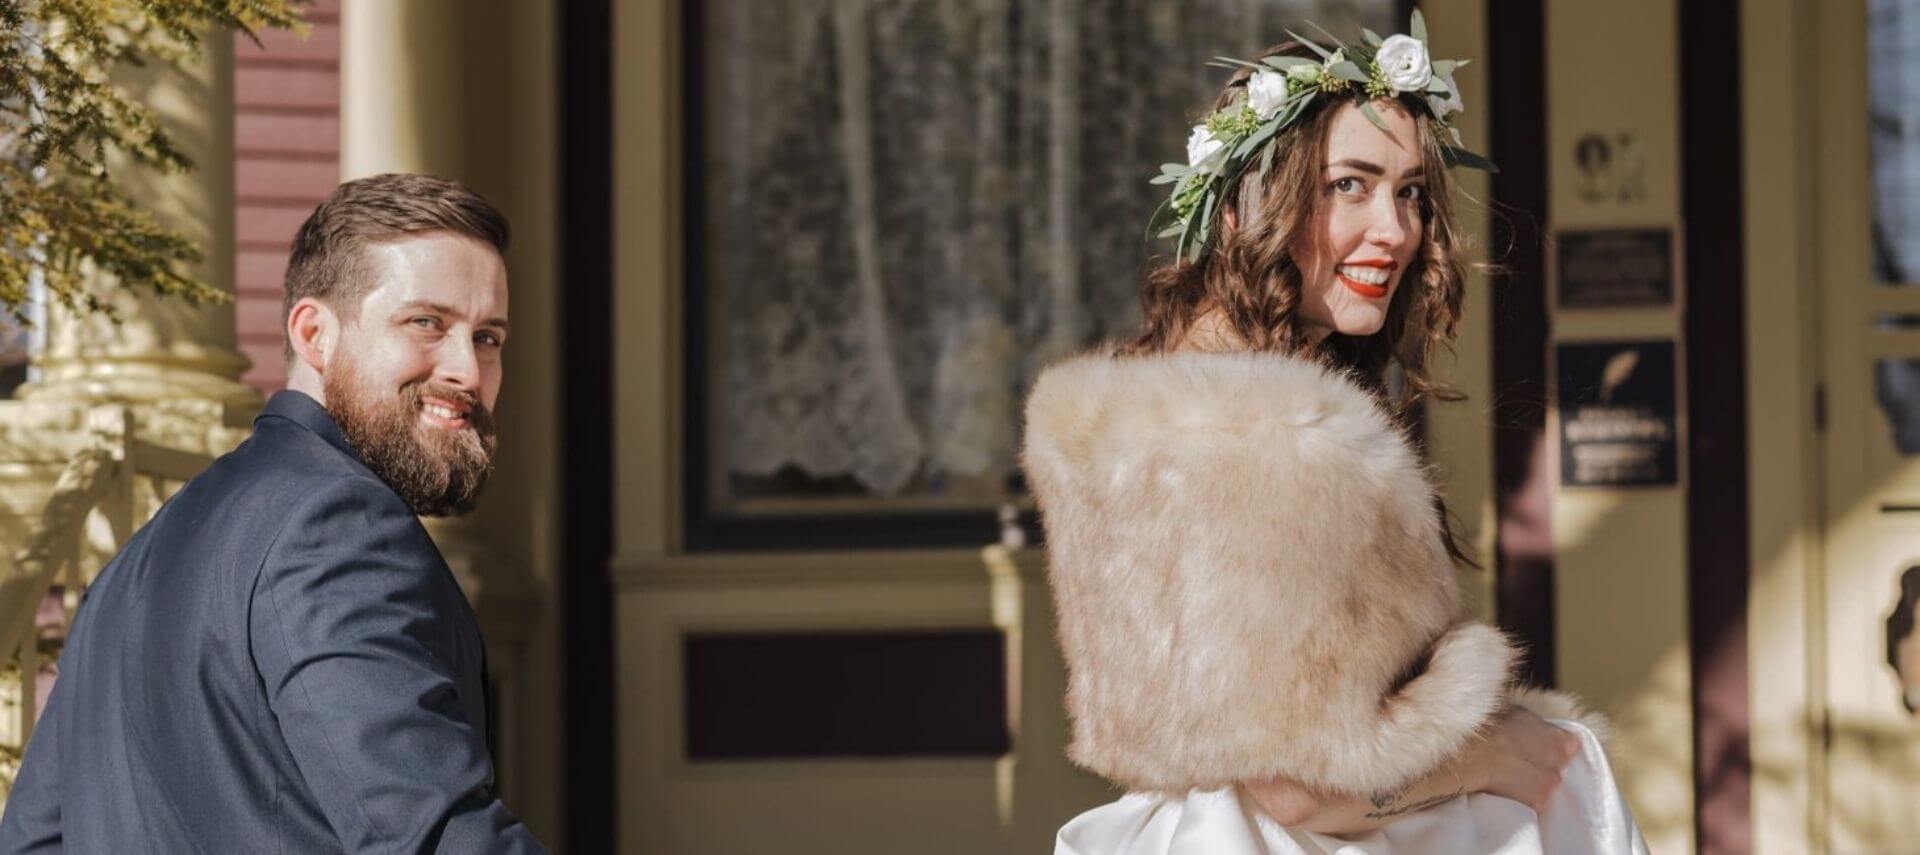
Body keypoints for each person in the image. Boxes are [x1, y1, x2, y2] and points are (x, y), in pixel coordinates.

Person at [1022, 15, 1647, 854]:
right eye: (1348, 184)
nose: (1394, 231)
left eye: (1412, 192)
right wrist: (1508, 752)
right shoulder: (1271, 437)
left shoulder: (1136, 416)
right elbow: (1302, 791)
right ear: (1247, 207)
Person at [0, 173, 547, 853]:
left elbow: (33, 841)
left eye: (488, 336)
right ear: (314, 333)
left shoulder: (131, 564)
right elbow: (428, 836)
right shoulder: (340, 526)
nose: (467, 368)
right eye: (427, 323)